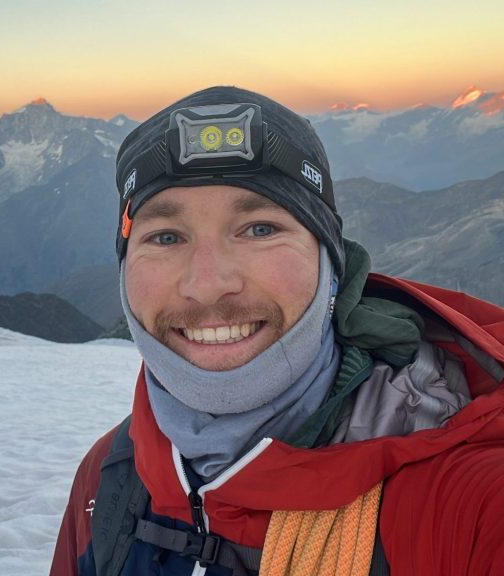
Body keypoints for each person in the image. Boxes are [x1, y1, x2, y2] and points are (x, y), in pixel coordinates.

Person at [50, 86, 504, 576]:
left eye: (260, 229)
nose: (207, 285)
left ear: (330, 264)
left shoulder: (463, 496)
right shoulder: (108, 480)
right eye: (165, 237)